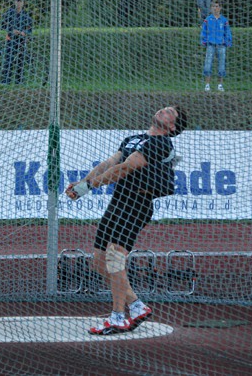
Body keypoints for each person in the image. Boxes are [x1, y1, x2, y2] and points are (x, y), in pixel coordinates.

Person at [65, 106, 188, 335]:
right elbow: (108, 164)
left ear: (172, 126)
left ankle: (118, 318)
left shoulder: (161, 144)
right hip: (118, 202)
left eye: (170, 112)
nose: (164, 110)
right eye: (164, 108)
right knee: (100, 262)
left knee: (114, 257)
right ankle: (137, 307)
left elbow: (126, 167)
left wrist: (91, 186)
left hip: (137, 203)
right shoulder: (132, 139)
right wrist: (82, 184)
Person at [200, 2, 233, 91]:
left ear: (220, 8)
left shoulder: (224, 20)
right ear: (211, 8)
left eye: (217, 6)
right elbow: (204, 31)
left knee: (221, 65)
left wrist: (228, 42)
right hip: (210, 45)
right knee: (208, 65)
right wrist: (204, 41)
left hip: (221, 46)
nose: (215, 8)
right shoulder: (208, 19)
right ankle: (207, 85)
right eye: (213, 6)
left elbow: (227, 32)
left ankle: (220, 85)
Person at [1, 0, 32, 85]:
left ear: (23, 3)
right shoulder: (9, 13)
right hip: (10, 39)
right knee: (8, 59)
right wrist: (12, 31)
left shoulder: (26, 15)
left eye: (20, 1)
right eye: (17, 1)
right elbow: (3, 25)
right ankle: (6, 81)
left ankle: (19, 81)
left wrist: (23, 32)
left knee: (20, 60)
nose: (18, 3)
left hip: (21, 41)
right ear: (14, 2)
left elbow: (30, 29)